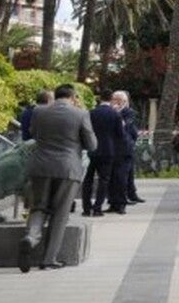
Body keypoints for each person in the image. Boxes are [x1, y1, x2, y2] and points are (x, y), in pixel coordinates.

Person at [19, 84, 97, 272]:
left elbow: (34, 133)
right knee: (60, 213)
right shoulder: (81, 114)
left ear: (56, 95)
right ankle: (48, 259)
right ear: (73, 97)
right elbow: (92, 144)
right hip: (67, 169)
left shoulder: (39, 111)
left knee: (38, 207)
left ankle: (31, 237)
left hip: (40, 166)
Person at [82, 89, 125, 217]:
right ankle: (97, 208)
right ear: (111, 99)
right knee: (104, 180)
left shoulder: (91, 113)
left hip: (92, 149)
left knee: (88, 180)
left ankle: (86, 208)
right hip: (108, 151)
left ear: (99, 99)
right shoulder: (115, 114)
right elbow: (120, 134)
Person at [112, 91, 143, 205]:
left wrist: (117, 113)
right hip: (116, 147)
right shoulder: (111, 111)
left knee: (127, 173)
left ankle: (129, 194)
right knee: (122, 174)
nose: (116, 102)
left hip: (126, 146)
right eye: (115, 100)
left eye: (119, 100)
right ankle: (123, 196)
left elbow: (126, 125)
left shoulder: (128, 112)